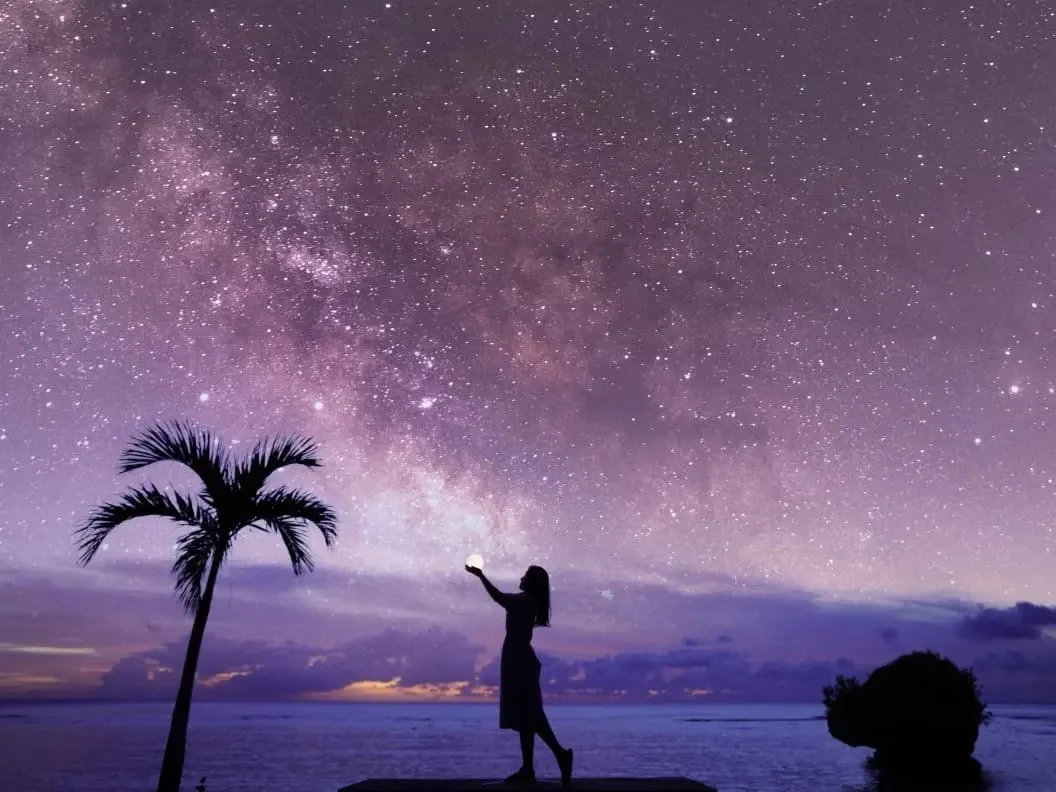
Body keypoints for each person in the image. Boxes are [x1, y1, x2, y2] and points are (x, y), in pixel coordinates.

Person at [466, 563, 574, 787]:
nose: (521, 577)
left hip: (520, 662)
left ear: (532, 581)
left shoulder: (525, 601)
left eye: (525, 575)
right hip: (519, 660)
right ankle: (538, 764)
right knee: (531, 717)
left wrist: (481, 576)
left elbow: (498, 597)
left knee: (530, 716)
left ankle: (542, 762)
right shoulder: (528, 602)